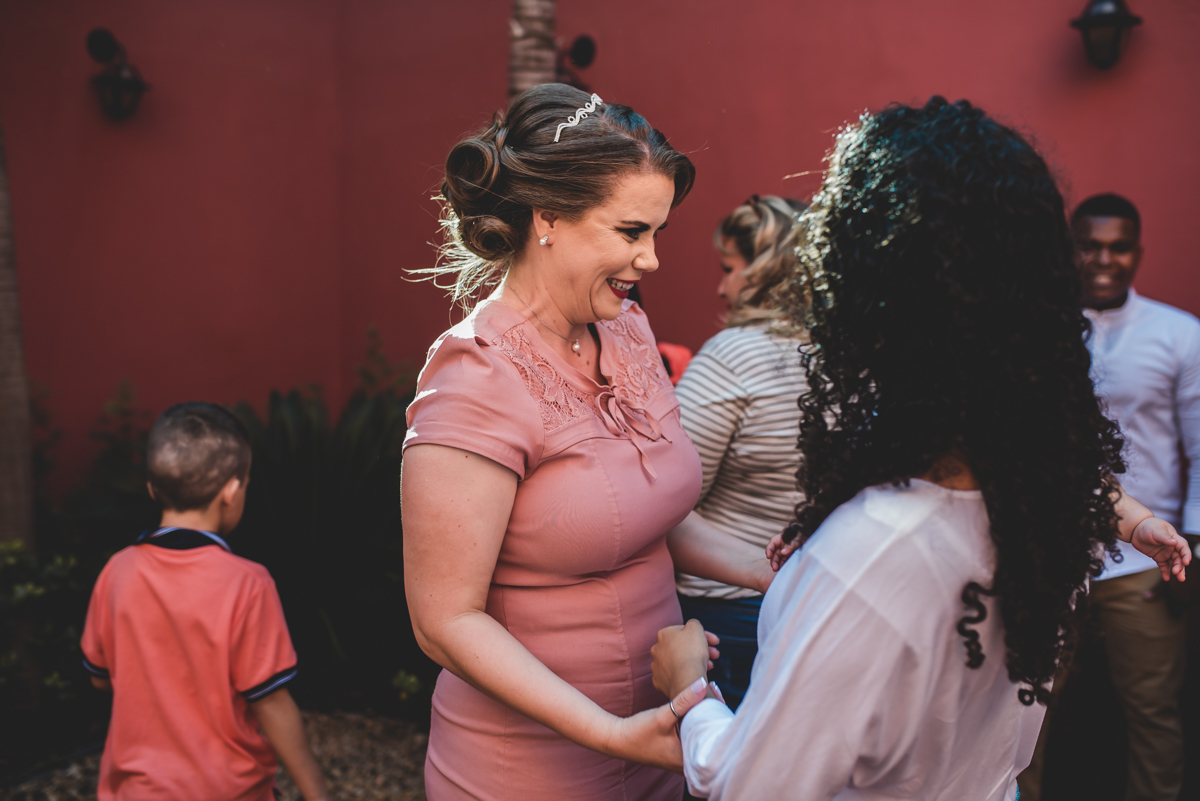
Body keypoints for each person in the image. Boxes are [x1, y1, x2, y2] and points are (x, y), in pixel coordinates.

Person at [649, 97, 1191, 800]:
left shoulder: (868, 554)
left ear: (862, 294)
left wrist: (690, 689)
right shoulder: (1037, 508)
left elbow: (751, 786)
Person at [402, 84, 757, 800]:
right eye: (631, 232)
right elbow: (444, 621)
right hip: (529, 769)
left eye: (656, 232)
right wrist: (608, 732)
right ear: (549, 218)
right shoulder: (476, 373)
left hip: (657, 740)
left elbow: (650, 514)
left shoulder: (628, 329)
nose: (650, 259)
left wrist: (782, 570)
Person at [81, 402, 328, 801]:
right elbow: (271, 703)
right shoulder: (248, 584)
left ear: (152, 487)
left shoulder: (116, 571)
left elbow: (99, 676)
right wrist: (318, 793)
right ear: (231, 492)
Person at [1071, 192, 1197, 800]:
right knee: (1021, 718)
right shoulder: (1036, 332)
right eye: (1089, 246)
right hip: (1053, 559)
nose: (1104, 259)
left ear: (1137, 253)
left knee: (1153, 716)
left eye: (1118, 247)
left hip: (1146, 563)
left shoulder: (1179, 335)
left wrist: (1191, 546)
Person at [670, 195, 808, 710]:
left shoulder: (735, 355)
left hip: (724, 610)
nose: (721, 287)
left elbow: (666, 495)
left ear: (767, 269)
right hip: (808, 594)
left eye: (729, 269)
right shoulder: (847, 354)